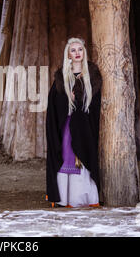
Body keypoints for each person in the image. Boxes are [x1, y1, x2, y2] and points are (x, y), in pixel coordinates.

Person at [45, 37, 103, 208]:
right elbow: (54, 104)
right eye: (73, 50)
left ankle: (83, 198)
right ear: (68, 55)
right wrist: (66, 98)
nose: (77, 53)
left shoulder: (92, 75)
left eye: (80, 50)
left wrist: (78, 98)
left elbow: (95, 103)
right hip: (66, 127)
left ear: (84, 53)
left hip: (84, 127)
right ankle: (65, 198)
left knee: (83, 155)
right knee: (66, 155)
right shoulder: (62, 77)